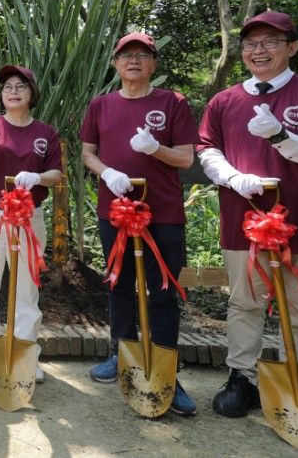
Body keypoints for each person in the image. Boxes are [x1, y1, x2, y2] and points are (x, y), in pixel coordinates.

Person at [196, 10, 298, 417]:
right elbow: (206, 148)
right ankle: (241, 377)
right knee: (244, 304)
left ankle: (294, 382)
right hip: (245, 219)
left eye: (270, 42)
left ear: (292, 47)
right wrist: (231, 177)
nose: (258, 50)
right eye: (250, 43)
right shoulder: (225, 101)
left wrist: (280, 136)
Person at [79, 32, 199, 415]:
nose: (134, 61)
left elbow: (185, 158)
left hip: (162, 212)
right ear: (115, 64)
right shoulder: (101, 105)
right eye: (126, 55)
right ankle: (121, 354)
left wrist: (156, 149)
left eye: (142, 55)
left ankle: (167, 373)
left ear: (153, 65)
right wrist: (106, 172)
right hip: (113, 210)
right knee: (119, 285)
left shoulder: (173, 103)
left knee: (163, 289)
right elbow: (87, 152)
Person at [0, 65, 63, 383]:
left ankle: (25, 354)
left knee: (27, 289)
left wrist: (36, 177)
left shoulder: (45, 133)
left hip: (28, 215)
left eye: (20, 85)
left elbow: (55, 174)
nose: (12, 90)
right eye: (7, 86)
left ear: (31, 93)